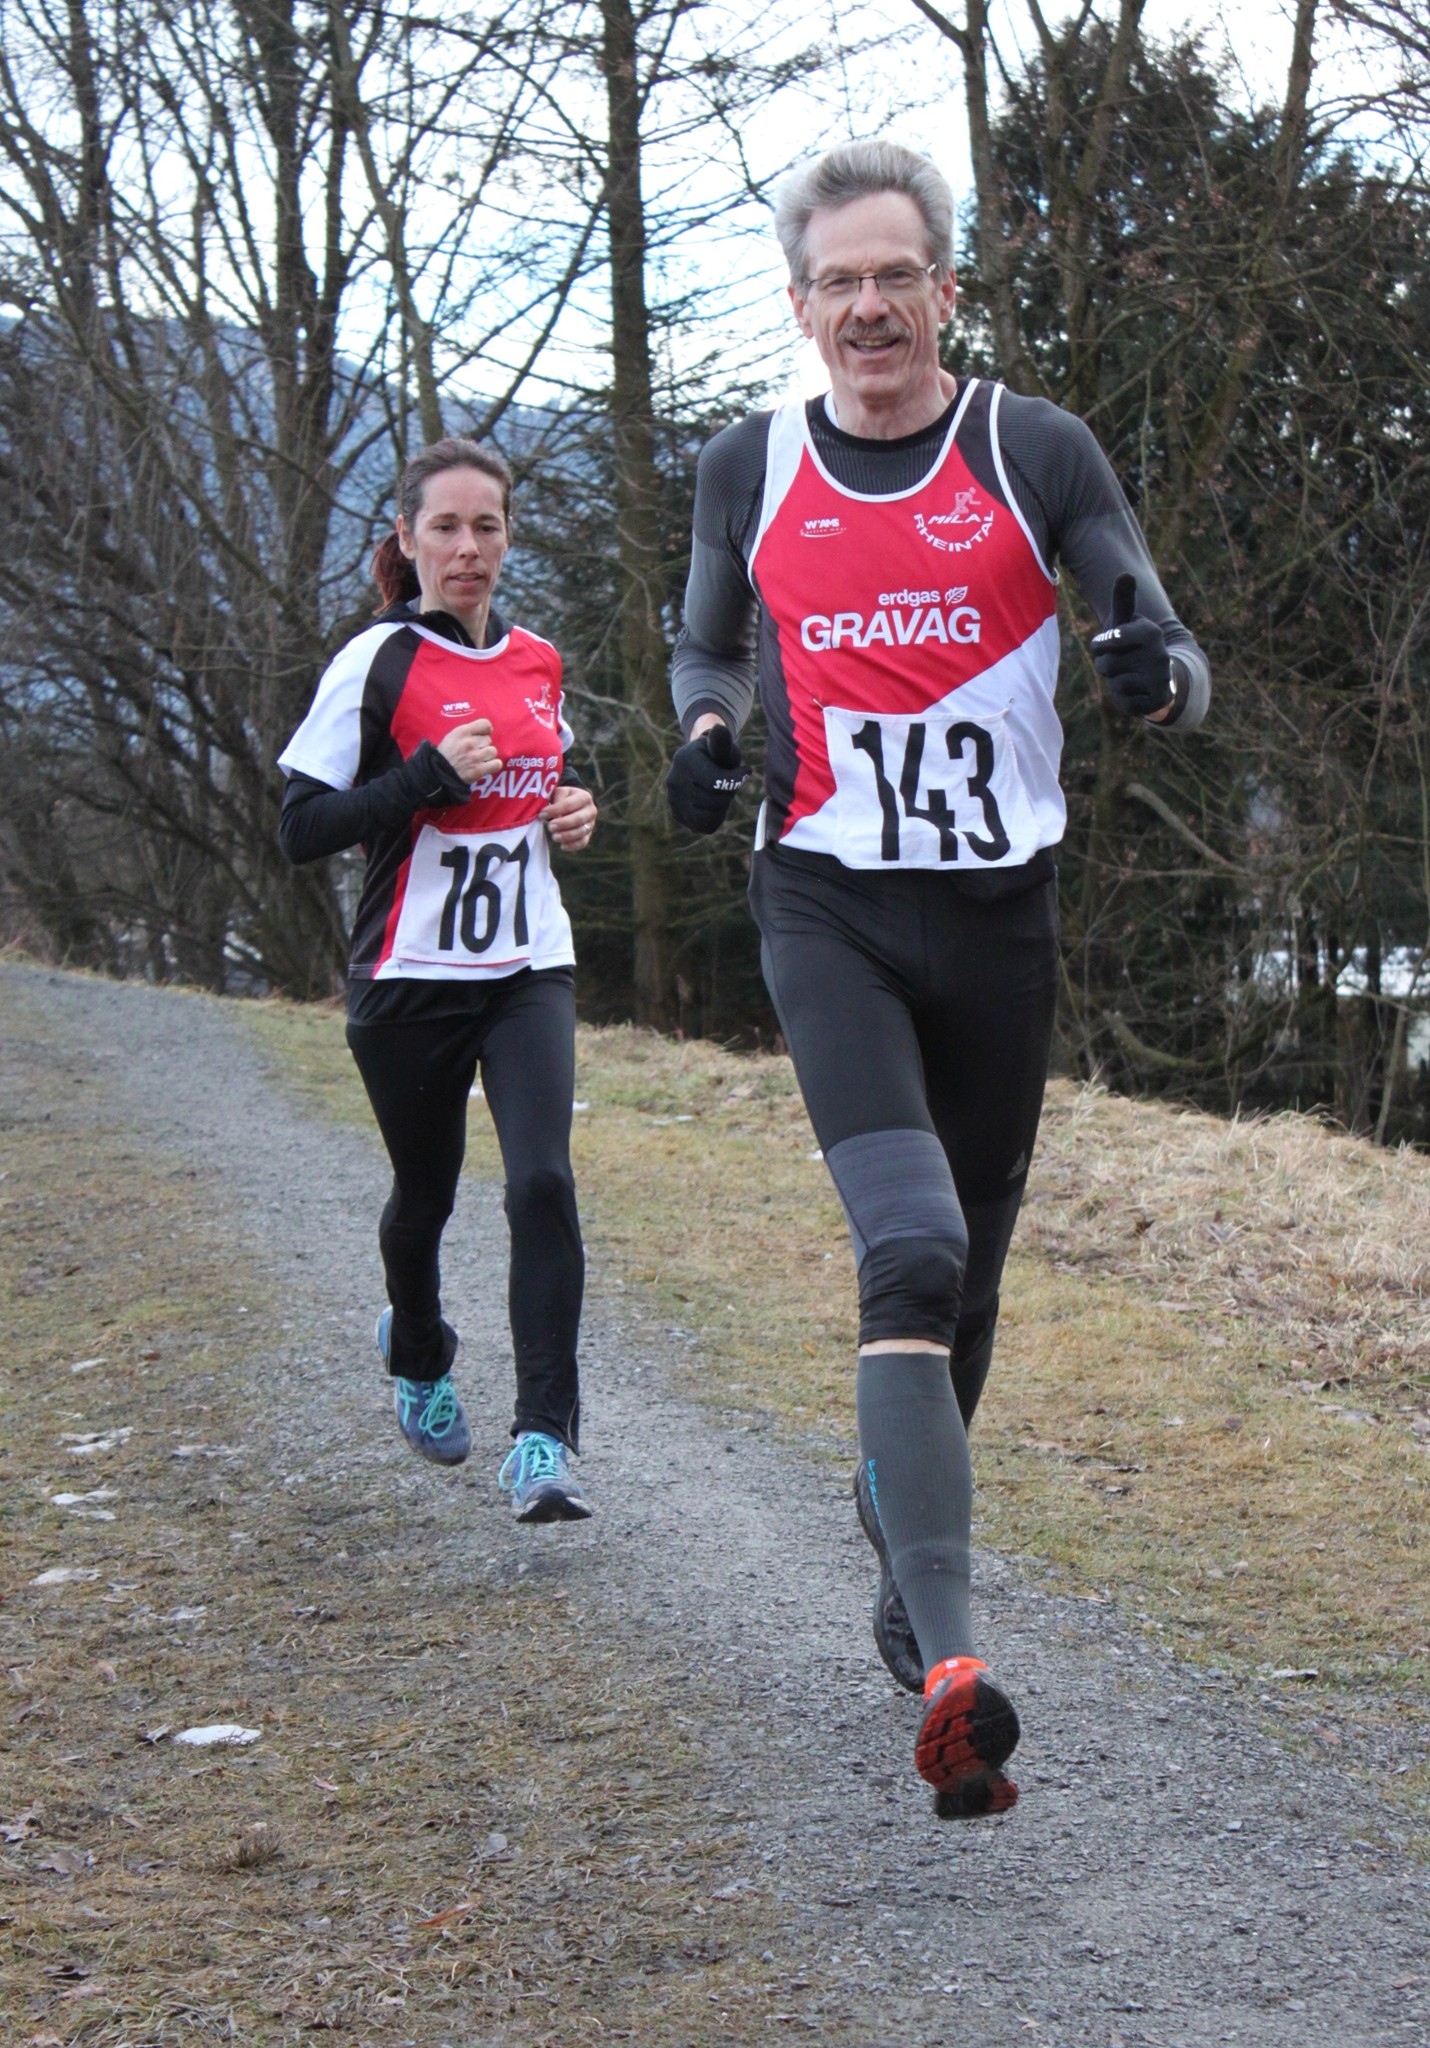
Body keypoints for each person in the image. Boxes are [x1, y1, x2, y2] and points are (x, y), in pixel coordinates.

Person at [665, 140, 1209, 1813]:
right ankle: (958, 1667)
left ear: (946, 289)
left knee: (961, 1281)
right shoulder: (748, 466)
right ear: (803, 303)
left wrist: (1147, 674)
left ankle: (900, 1529)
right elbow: (701, 638)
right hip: (825, 905)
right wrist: (701, 731)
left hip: (999, 927)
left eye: (901, 273)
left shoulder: (1030, 446)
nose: (873, 305)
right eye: (842, 280)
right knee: (903, 1248)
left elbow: (1172, 650)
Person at [278, 436, 597, 1522]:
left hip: (524, 964)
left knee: (542, 1182)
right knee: (426, 1193)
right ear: (407, 538)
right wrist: (419, 777)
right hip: (408, 974)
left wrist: (572, 812)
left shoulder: (538, 658)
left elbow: (538, 789)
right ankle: (416, 1343)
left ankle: (544, 1440)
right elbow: (300, 828)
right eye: (446, 528)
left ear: (507, 537)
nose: (468, 549)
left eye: (487, 527)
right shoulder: (374, 663)